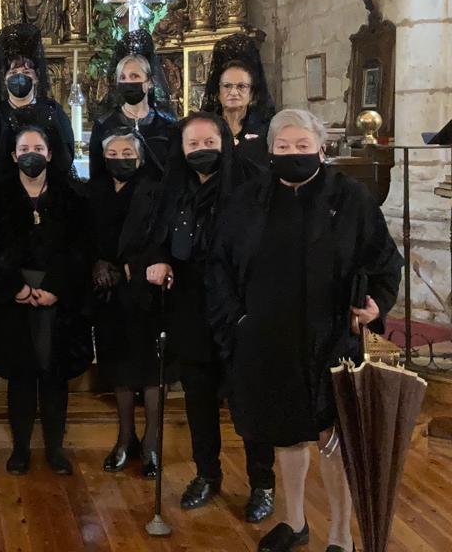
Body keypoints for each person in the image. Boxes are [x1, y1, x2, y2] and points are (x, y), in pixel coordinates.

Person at [208, 109, 402, 552]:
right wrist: (238, 322)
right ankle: (295, 522)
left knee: (335, 437)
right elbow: (219, 268)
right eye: (283, 147)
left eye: (302, 146)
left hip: (332, 335)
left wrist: (376, 305)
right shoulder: (246, 200)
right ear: (270, 150)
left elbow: (384, 262)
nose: (293, 154)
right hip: (266, 339)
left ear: (320, 148)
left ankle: (340, 535)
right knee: (285, 432)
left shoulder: (350, 197)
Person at [145, 113, 276, 523]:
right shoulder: (174, 188)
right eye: (193, 145)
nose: (202, 151)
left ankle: (262, 483)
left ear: (225, 142)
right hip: (190, 308)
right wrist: (159, 259)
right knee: (199, 400)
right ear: (181, 150)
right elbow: (157, 237)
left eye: (209, 142)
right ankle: (207, 473)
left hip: (239, 311)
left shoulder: (252, 185)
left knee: (249, 400)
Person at [0, 126, 90, 477]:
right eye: (24, 147)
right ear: (13, 155)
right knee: (22, 376)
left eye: (38, 147)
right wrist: (14, 286)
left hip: (57, 297)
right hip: (15, 298)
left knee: (54, 377)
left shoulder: (71, 196)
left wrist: (57, 286)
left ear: (50, 154)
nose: (31, 153)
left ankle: (55, 449)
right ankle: (21, 448)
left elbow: (81, 248)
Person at [90, 129, 172, 478]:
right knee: (119, 366)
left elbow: (164, 237)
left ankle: (152, 443)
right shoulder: (94, 191)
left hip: (145, 290)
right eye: (113, 153)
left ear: (139, 156)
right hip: (108, 292)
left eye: (127, 152)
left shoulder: (156, 189)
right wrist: (96, 262)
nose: (120, 159)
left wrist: (134, 267)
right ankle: (126, 438)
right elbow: (83, 236)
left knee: (151, 370)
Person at [0, 24, 74, 184]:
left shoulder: (52, 110)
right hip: (4, 188)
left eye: (26, 72)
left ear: (36, 77)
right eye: (13, 73)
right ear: (4, 79)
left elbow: (65, 152)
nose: (19, 77)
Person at [89, 49, 177, 181]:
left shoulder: (166, 124)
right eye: (122, 77)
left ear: (149, 83)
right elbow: (97, 172)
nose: (128, 82)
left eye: (134, 76)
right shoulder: (104, 123)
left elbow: (173, 170)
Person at [201, 33, 277, 179]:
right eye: (227, 86)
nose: (233, 92)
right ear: (218, 92)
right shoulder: (205, 127)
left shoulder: (267, 129)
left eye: (241, 86)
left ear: (252, 93)